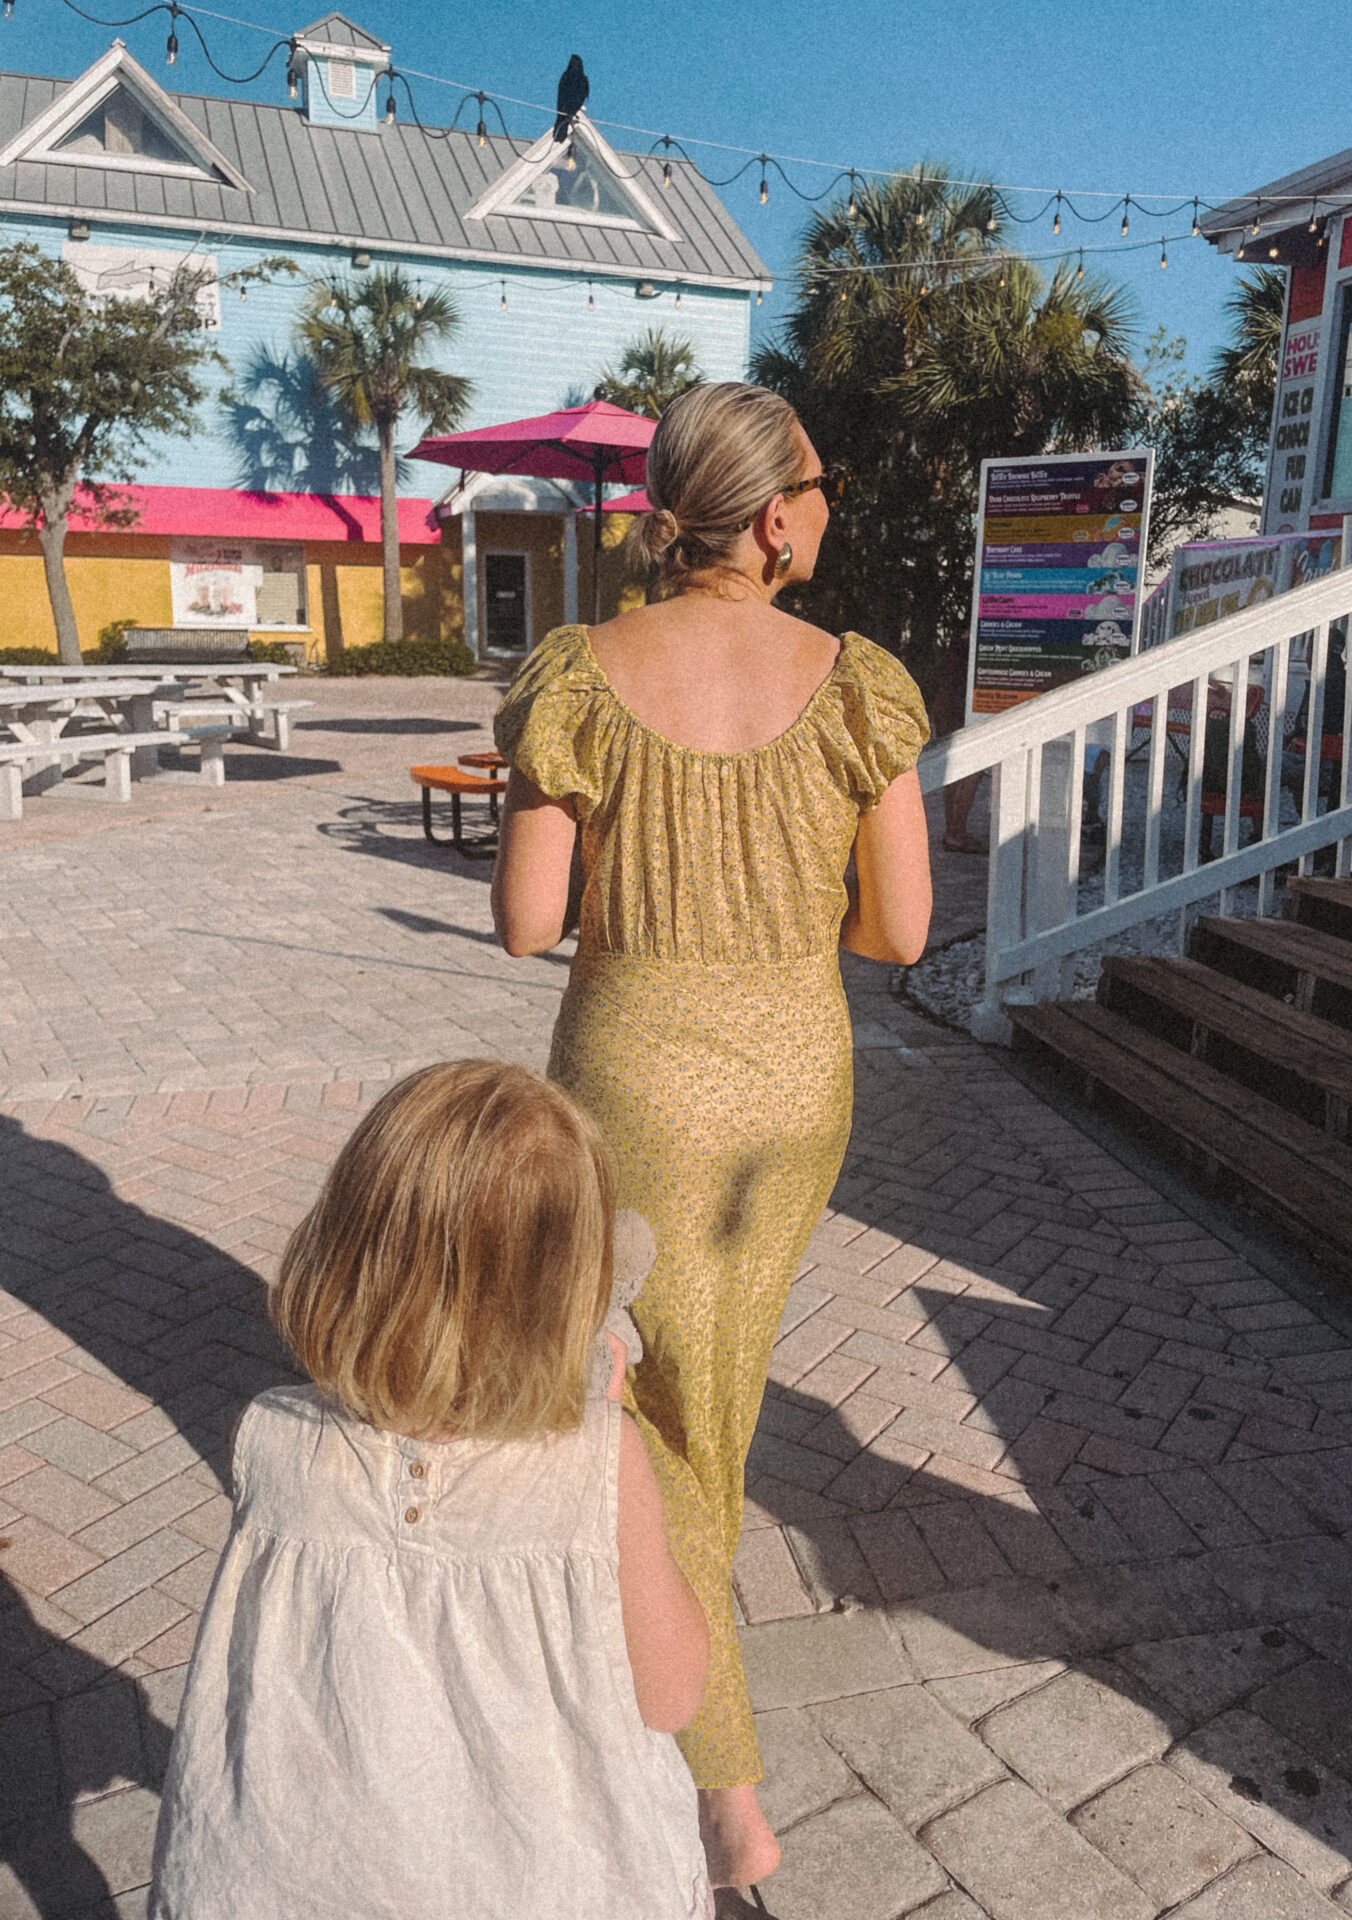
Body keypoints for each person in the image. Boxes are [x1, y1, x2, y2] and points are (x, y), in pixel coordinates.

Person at [491, 381, 932, 1892]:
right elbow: (903, 933)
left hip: (630, 1083)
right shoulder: (859, 682)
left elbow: (526, 923)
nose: (828, 506)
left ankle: (712, 1770)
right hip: (791, 1098)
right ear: (770, 513)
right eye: (821, 480)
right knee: (702, 1404)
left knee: (663, 1403)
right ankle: (708, 1748)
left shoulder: (580, 674)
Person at [148, 1060, 713, 1920]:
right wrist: (604, 1421)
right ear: (569, 1297)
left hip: (306, 1881)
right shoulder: (600, 1461)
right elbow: (672, 1692)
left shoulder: (275, 1440)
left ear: (344, 1248)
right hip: (555, 1882)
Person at [928, 629, 985, 853]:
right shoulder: (974, 647)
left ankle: (953, 830)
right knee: (972, 770)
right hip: (960, 710)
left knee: (952, 770)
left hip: (945, 706)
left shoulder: (955, 645)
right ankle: (956, 832)